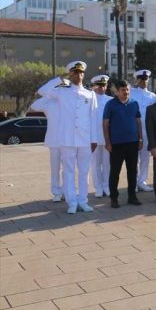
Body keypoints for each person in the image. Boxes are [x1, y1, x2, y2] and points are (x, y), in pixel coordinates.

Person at [37, 61, 99, 214]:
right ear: (70, 74)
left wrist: (94, 139)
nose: (79, 75)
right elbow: (42, 91)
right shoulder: (62, 92)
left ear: (84, 74)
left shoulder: (90, 94)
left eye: (81, 72)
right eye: (75, 72)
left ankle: (83, 201)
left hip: (84, 139)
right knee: (68, 171)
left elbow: (94, 117)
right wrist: (59, 80)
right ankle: (72, 202)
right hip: (66, 139)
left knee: (84, 171)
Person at [103, 80, 143, 208]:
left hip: (132, 143)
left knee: (133, 171)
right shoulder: (110, 104)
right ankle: (114, 198)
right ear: (117, 91)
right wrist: (107, 142)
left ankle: (132, 196)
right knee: (115, 172)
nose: (125, 92)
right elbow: (105, 124)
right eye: (123, 90)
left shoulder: (134, 103)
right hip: (116, 144)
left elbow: (138, 121)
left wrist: (140, 139)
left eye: (127, 90)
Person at [30, 78, 69, 202]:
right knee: (55, 168)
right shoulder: (48, 102)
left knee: (68, 168)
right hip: (54, 140)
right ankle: (56, 192)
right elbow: (34, 106)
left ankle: (67, 190)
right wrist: (55, 83)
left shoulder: (70, 101)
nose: (62, 89)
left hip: (68, 140)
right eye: (60, 87)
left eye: (64, 87)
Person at [130, 70, 156, 193]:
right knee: (133, 159)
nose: (144, 81)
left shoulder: (152, 96)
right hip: (134, 130)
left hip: (148, 131)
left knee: (145, 158)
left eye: (146, 79)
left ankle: (142, 181)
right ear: (137, 80)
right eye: (142, 79)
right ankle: (133, 182)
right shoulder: (131, 93)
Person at [90, 75, 113, 198]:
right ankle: (98, 187)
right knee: (95, 164)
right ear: (94, 86)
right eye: (99, 85)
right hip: (93, 138)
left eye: (104, 85)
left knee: (107, 164)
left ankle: (106, 186)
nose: (101, 88)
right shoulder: (88, 99)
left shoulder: (111, 100)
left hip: (107, 138)